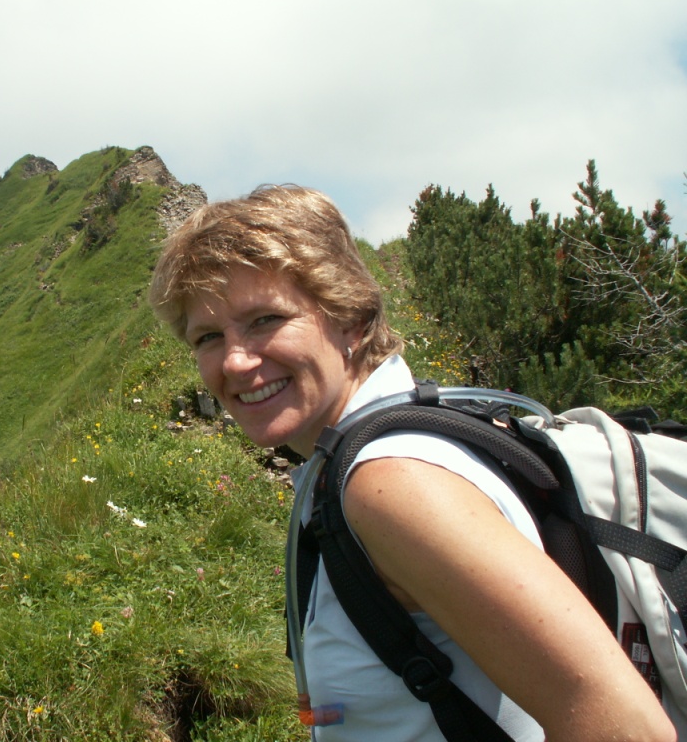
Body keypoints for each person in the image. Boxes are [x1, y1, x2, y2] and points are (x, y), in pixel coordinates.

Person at [148, 184, 675, 742]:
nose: (234, 361)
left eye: (265, 319)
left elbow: (627, 728)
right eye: (208, 337)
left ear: (349, 319)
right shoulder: (356, 464)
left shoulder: (392, 484)